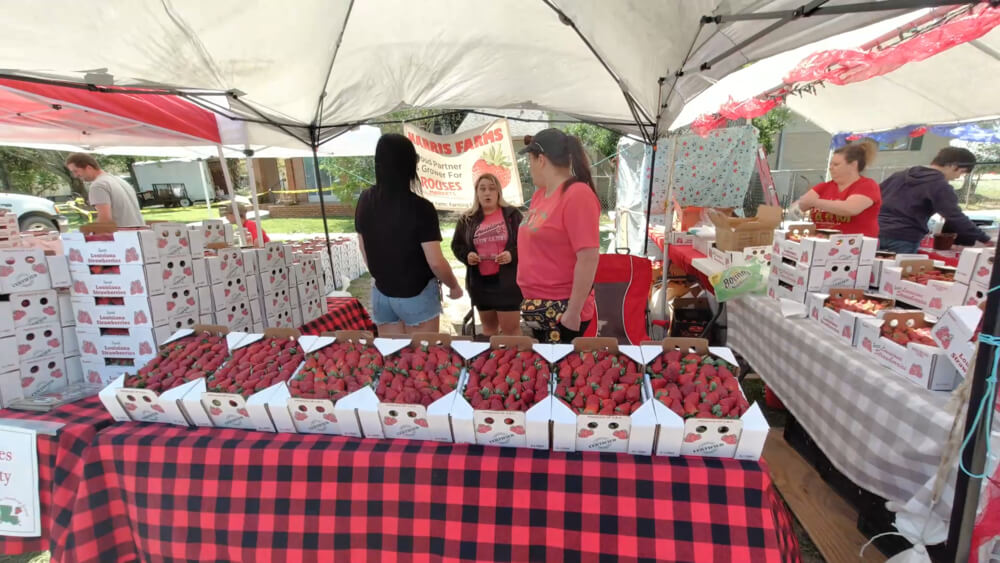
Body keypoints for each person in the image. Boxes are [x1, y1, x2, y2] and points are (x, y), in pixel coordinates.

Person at [354, 134, 463, 335]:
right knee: (421, 358)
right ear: (410, 164)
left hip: (382, 292)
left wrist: (384, 276)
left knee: (393, 358)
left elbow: (363, 247)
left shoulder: (365, 200)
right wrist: (454, 286)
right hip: (417, 293)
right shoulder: (421, 208)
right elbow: (436, 262)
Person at [517, 128, 600, 344]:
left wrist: (573, 311)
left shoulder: (577, 195)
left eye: (530, 160)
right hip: (537, 305)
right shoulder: (539, 195)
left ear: (541, 159)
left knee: (558, 371)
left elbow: (588, 257)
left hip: (562, 308)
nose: (530, 167)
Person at [878, 147, 993, 253]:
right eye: (961, 172)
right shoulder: (940, 185)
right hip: (904, 237)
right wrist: (984, 238)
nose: (958, 177)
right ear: (953, 165)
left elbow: (875, 198)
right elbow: (955, 217)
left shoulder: (899, 175)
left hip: (876, 232)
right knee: (895, 273)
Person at [451, 173, 524, 336]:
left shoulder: (512, 215)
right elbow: (457, 245)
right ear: (476, 193)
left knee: (511, 332)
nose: (487, 193)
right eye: (482, 189)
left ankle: (513, 360)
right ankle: (494, 360)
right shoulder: (467, 219)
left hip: (508, 284)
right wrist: (467, 256)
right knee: (489, 331)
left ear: (498, 192)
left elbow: (527, 244)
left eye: (492, 189)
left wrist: (511, 254)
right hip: (480, 285)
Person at [792, 140, 881, 238]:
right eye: (830, 164)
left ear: (853, 165)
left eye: (836, 164)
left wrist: (815, 202)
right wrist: (800, 206)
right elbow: (799, 206)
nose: (831, 168)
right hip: (823, 245)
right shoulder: (823, 187)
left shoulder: (867, 186)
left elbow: (850, 209)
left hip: (854, 247)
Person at [64, 153, 145, 227]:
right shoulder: (119, 180)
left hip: (122, 236)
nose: (75, 175)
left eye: (75, 171)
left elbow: (105, 219)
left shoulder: (98, 185)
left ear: (89, 167)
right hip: (139, 233)